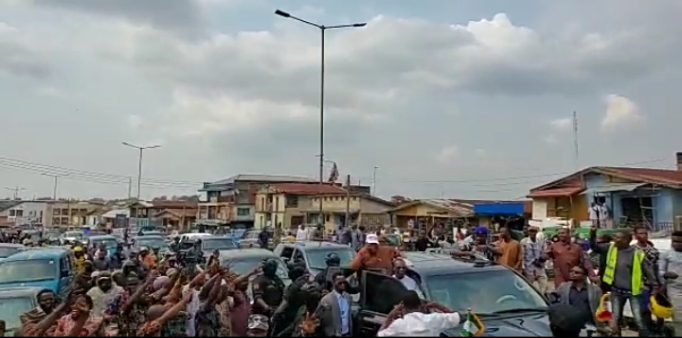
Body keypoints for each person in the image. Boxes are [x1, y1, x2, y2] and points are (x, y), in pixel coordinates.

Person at [590, 227, 659, 336]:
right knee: (615, 320)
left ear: (627, 240)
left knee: (639, 320)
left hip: (634, 293)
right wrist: (592, 233)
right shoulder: (611, 248)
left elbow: (649, 272)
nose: (616, 240)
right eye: (615, 237)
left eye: (619, 238)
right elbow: (594, 247)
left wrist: (655, 288)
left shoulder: (637, 254)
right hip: (616, 291)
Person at [377, 290, 463, 337]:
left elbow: (380, 334)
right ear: (420, 306)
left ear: (403, 308)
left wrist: (391, 315)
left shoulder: (398, 325)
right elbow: (459, 317)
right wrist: (437, 305)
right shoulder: (434, 319)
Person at [554, 265, 602, 331]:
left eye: (576, 272)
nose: (572, 274)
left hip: (589, 325)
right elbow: (554, 300)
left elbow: (601, 307)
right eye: (571, 271)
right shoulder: (564, 287)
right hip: (569, 324)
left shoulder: (595, 290)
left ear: (584, 276)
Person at [315, 272, 353, 337]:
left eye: (344, 282)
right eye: (340, 283)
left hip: (347, 333)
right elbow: (319, 318)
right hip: (334, 334)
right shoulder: (326, 299)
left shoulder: (348, 298)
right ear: (333, 283)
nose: (343, 285)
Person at [659, 230, 682, 334]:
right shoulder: (666, 255)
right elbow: (660, 271)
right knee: (678, 318)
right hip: (675, 290)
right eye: (674, 241)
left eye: (679, 241)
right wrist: (666, 274)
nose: (676, 243)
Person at [520, 226, 549, 293]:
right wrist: (523, 267)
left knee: (544, 285)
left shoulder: (540, 241)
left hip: (539, 267)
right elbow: (522, 255)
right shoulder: (524, 241)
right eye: (531, 231)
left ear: (537, 232)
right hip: (529, 267)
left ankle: (542, 298)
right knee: (529, 287)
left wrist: (543, 259)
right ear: (528, 232)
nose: (532, 233)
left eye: (534, 231)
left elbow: (544, 252)